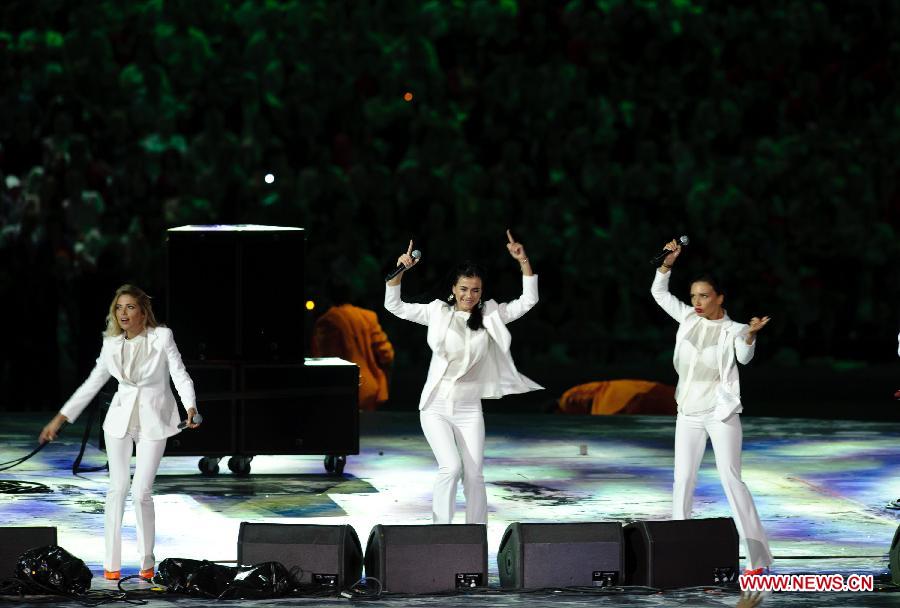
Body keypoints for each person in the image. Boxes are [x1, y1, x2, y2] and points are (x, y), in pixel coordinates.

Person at [39, 284, 199, 580]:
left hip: (154, 418)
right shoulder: (111, 343)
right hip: (119, 420)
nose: (123, 313)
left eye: (130, 307)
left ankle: (146, 561)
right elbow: (92, 382)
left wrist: (189, 406)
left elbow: (179, 372)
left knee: (141, 493)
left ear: (142, 311)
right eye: (119, 307)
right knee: (117, 489)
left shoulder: (161, 337)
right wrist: (60, 418)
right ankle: (111, 565)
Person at [384, 230, 541, 524]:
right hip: (436, 407)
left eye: (476, 290)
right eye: (464, 289)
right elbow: (394, 306)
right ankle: (441, 534)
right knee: (451, 467)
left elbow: (528, 300)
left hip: (470, 409)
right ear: (453, 289)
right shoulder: (437, 312)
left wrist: (523, 261)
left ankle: (474, 535)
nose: (469, 295)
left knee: (474, 474)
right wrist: (400, 270)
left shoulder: (491, 314)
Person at [650, 239, 773, 574]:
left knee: (732, 479)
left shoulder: (734, 329)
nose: (697, 302)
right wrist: (667, 264)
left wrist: (750, 336)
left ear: (720, 297)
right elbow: (659, 294)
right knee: (683, 480)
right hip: (687, 412)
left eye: (704, 295)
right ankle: (676, 552)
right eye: (693, 296)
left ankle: (758, 560)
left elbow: (744, 358)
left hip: (720, 413)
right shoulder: (688, 318)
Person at [311, 285, 394, 411]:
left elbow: (326, 362)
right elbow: (387, 354)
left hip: (342, 391)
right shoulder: (368, 316)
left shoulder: (327, 321)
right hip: (371, 388)